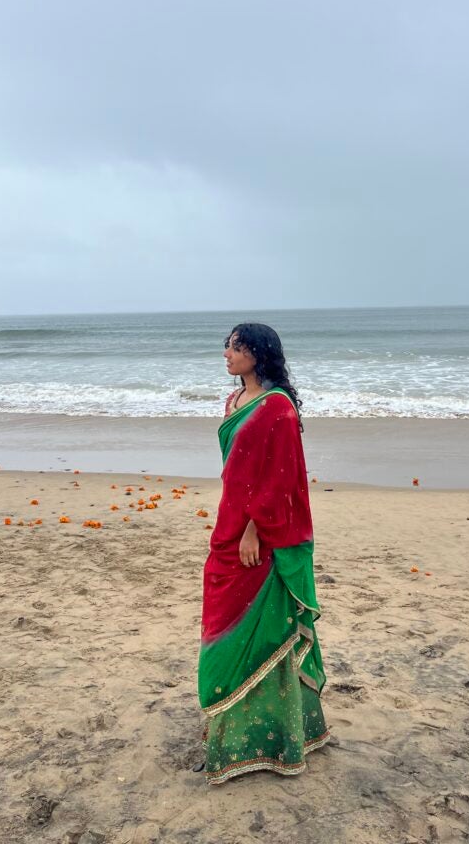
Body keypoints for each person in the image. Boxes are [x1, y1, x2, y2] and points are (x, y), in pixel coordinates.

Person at [197, 322, 330, 785]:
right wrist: (237, 523)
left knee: (266, 630)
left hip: (261, 534)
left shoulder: (278, 409)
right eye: (227, 347)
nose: (227, 354)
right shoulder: (235, 402)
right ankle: (230, 729)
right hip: (228, 525)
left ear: (258, 353)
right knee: (220, 624)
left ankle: (277, 738)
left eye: (235, 347)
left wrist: (255, 529)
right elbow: (238, 473)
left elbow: (281, 477)